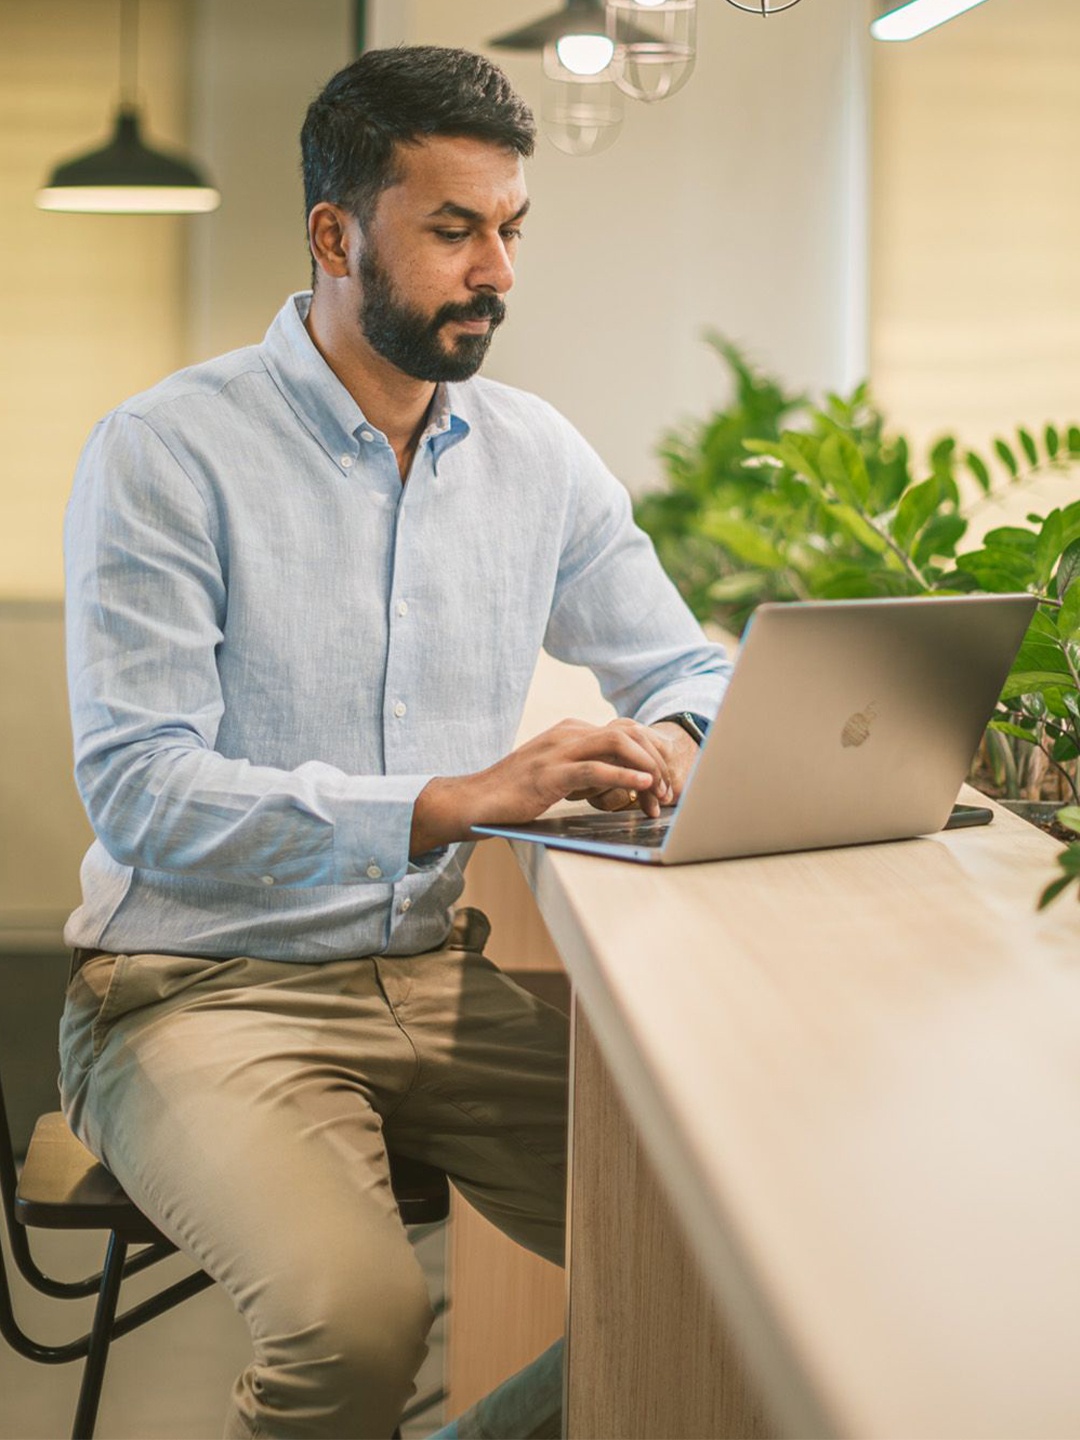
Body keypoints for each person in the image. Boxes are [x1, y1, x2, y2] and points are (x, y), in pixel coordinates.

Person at [60, 44, 730, 1440]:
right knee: (356, 1326)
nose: (495, 269)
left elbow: (689, 662)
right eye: (453, 230)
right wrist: (448, 800)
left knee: (731, 1247)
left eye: (509, 230)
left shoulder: (537, 456)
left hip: (431, 977)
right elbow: (140, 794)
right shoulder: (166, 452)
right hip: (194, 991)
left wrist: (669, 737)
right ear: (335, 234)